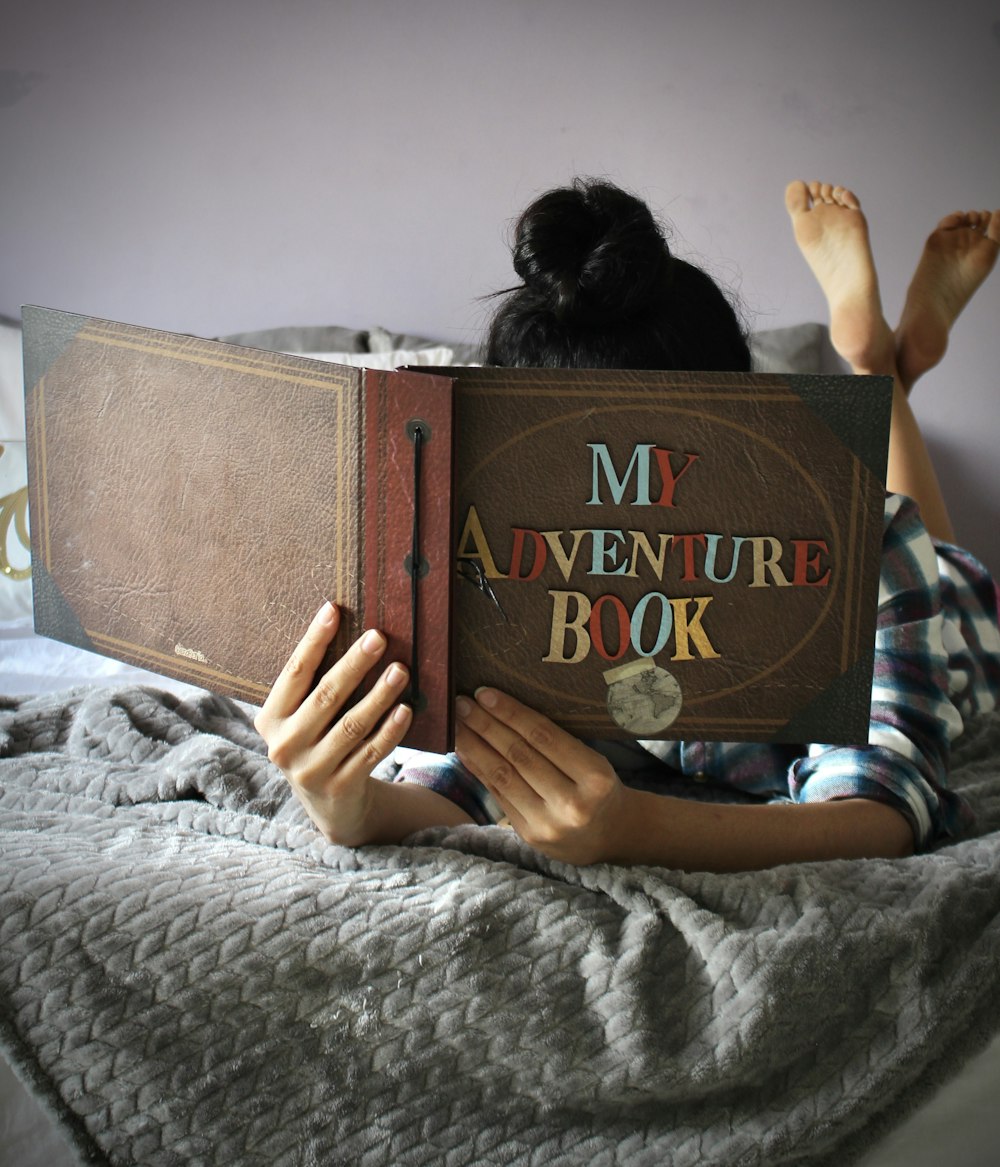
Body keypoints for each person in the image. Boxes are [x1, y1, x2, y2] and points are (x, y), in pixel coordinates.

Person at [254, 178, 1000, 871]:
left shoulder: (867, 545)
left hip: (949, 610)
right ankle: (883, 367)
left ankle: (879, 370)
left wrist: (634, 830)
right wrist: (342, 801)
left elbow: (885, 813)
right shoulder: (503, 567)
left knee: (940, 551)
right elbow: (449, 789)